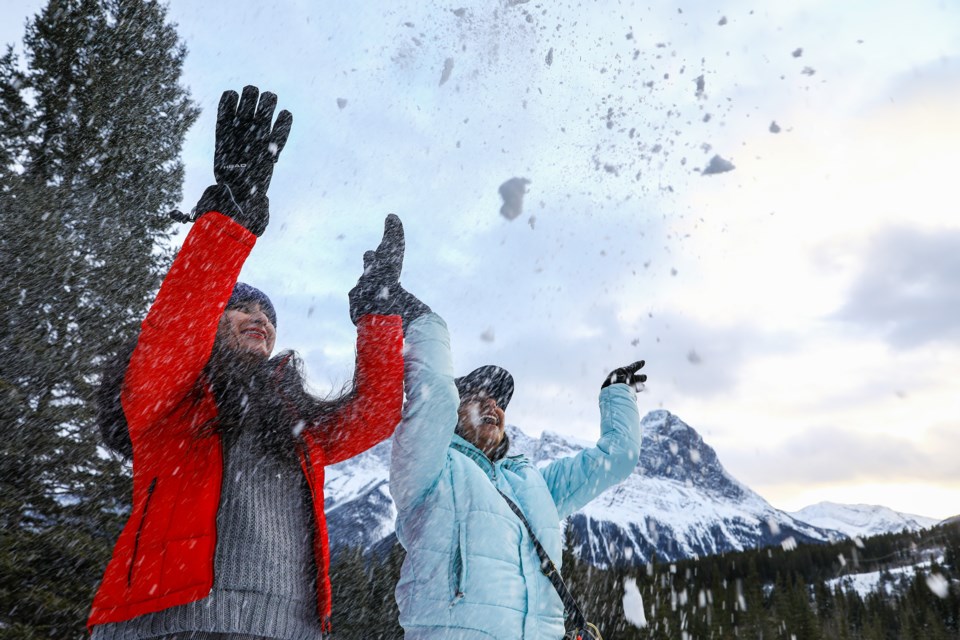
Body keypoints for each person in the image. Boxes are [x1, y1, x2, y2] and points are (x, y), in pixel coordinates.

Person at [88, 86, 428, 639]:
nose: (260, 319)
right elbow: (177, 331)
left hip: (287, 627)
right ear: (212, 322)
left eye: (268, 315)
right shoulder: (171, 398)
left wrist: (378, 313)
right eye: (240, 307)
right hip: (169, 621)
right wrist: (231, 218)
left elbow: (376, 413)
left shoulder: (296, 424)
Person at [389, 312, 646, 639]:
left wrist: (617, 392)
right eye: (477, 398)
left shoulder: (533, 485)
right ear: (451, 414)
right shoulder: (430, 467)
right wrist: (422, 319)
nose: (492, 406)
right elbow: (434, 397)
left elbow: (617, 458)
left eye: (498, 402)